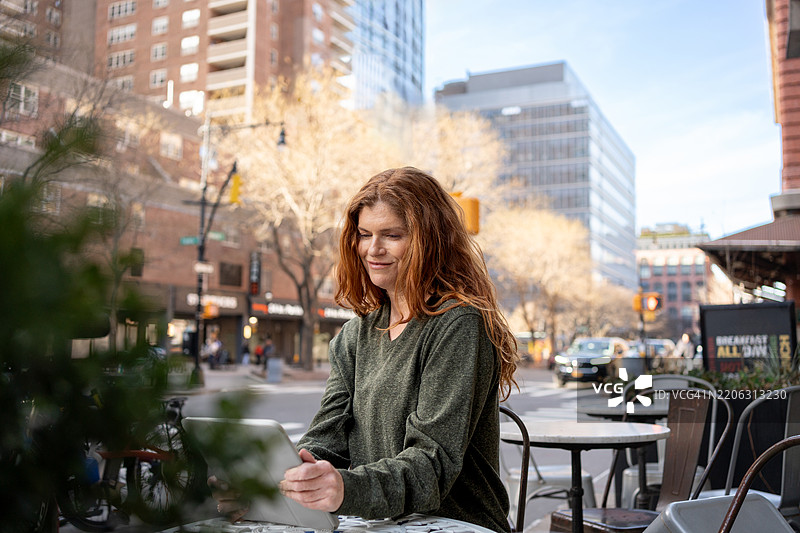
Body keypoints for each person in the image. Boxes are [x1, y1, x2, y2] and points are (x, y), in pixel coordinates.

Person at [211, 167, 519, 532]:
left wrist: (346, 487)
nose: (373, 249)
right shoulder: (354, 336)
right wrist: (277, 483)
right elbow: (326, 440)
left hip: (457, 523)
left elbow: (431, 465)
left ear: (430, 241)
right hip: (378, 522)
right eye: (364, 234)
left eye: (392, 235)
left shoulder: (458, 325)